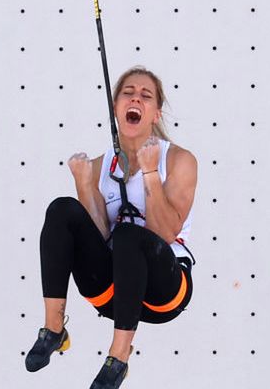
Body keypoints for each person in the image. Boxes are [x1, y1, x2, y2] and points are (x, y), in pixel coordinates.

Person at [25, 66, 198, 389]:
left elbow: (163, 234)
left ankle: (118, 357)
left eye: (145, 96)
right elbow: (99, 235)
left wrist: (149, 174)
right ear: (116, 107)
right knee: (62, 209)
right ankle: (53, 329)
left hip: (164, 292)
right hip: (113, 292)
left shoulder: (178, 161)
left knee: (131, 235)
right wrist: (84, 185)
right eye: (128, 93)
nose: (136, 98)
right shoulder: (99, 164)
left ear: (155, 113)